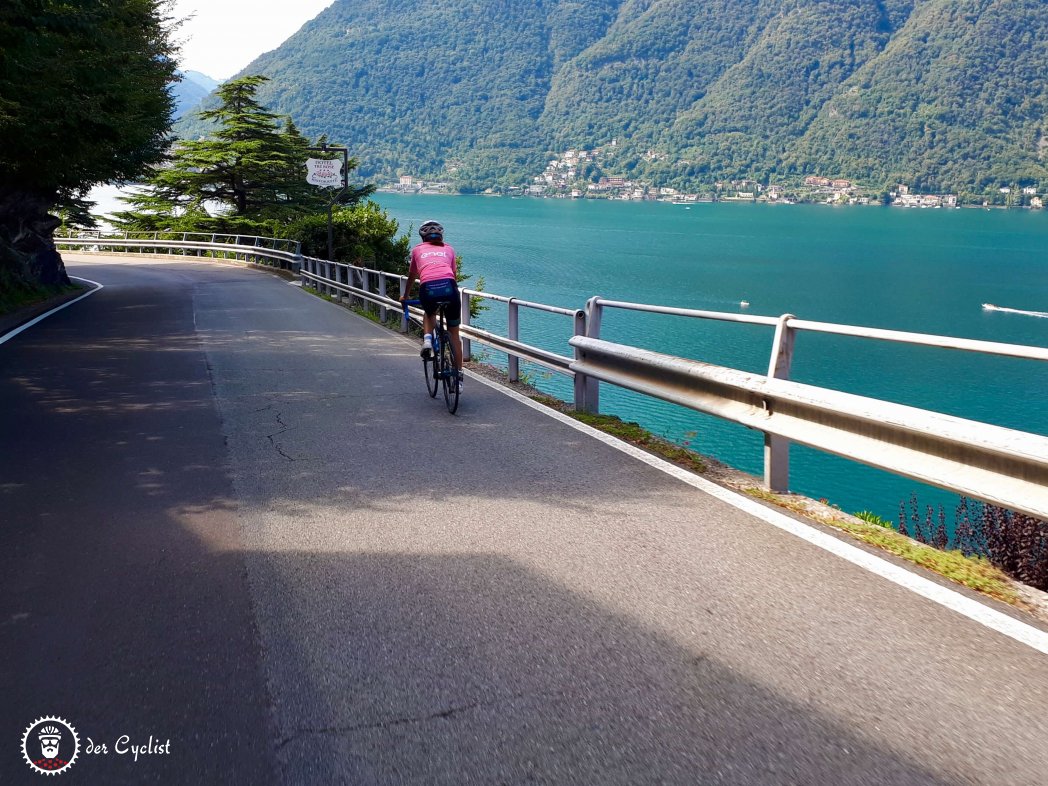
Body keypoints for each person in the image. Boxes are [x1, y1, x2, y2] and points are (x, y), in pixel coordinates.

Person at [401, 220, 464, 391]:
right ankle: (458, 379)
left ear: (423, 237)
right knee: (454, 334)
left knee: (429, 312)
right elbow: (454, 275)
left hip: (428, 288)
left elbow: (412, 275)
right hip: (450, 289)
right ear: (441, 236)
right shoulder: (449, 249)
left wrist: (405, 296)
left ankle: (427, 340)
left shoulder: (417, 250)